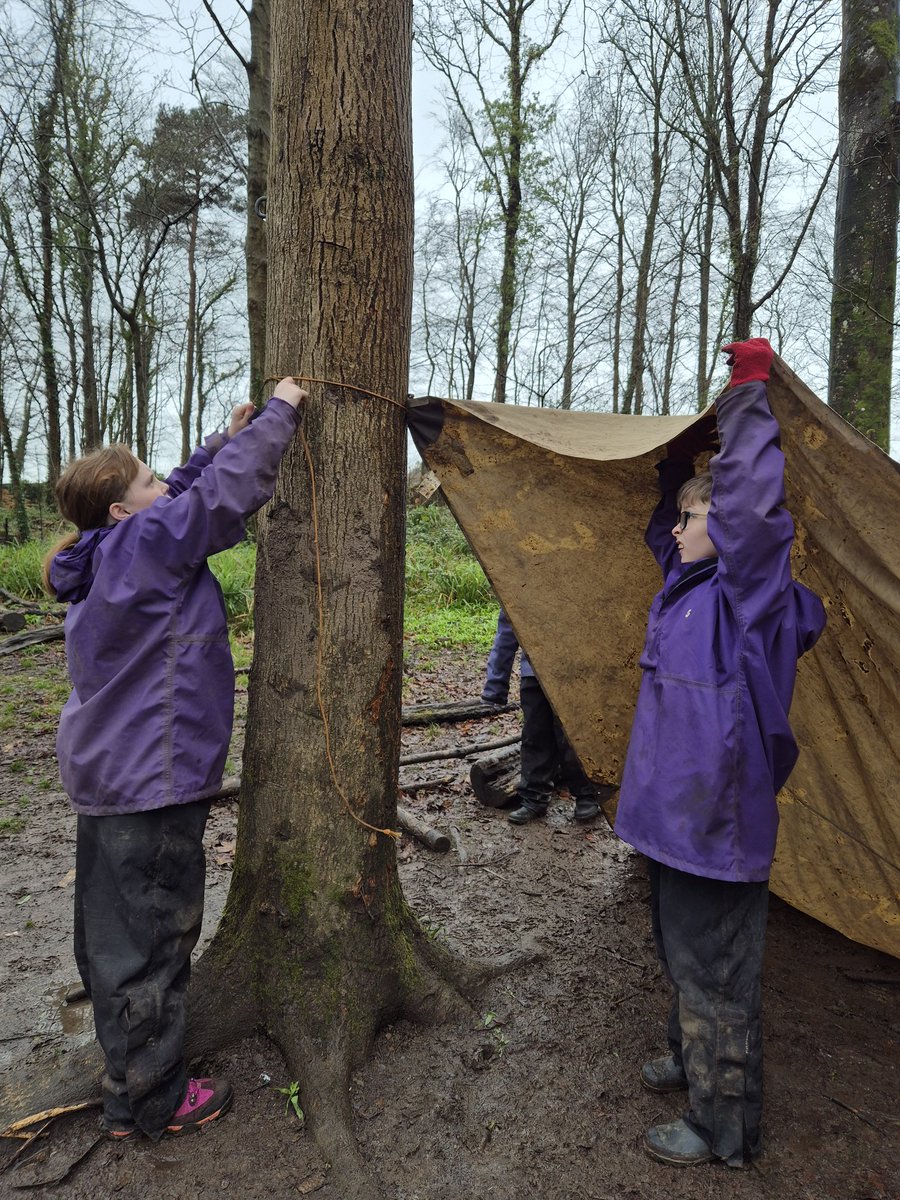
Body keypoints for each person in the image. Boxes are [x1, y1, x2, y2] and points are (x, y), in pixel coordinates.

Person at [44, 378, 307, 1141]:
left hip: (111, 779)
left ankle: (126, 1090)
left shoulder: (107, 554)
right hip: (151, 781)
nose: (165, 482)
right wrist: (281, 415)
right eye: (149, 478)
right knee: (155, 938)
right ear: (124, 511)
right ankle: (157, 1101)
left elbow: (182, 494)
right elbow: (213, 503)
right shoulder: (142, 547)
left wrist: (219, 442)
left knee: (113, 941)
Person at [614, 339, 826, 1169]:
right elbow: (673, 524)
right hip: (670, 826)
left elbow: (748, 510)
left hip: (717, 828)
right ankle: (688, 1063)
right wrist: (675, 466)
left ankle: (724, 1128)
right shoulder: (686, 587)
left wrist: (745, 395)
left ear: (731, 534)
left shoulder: (751, 598)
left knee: (719, 981)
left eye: (694, 517)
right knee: (681, 957)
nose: (678, 527)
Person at [482, 608, 600, 825]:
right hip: (533, 671)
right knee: (535, 734)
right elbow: (507, 629)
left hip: (574, 670)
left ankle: (588, 794)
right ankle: (534, 797)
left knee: (573, 735)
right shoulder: (521, 581)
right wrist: (495, 686)